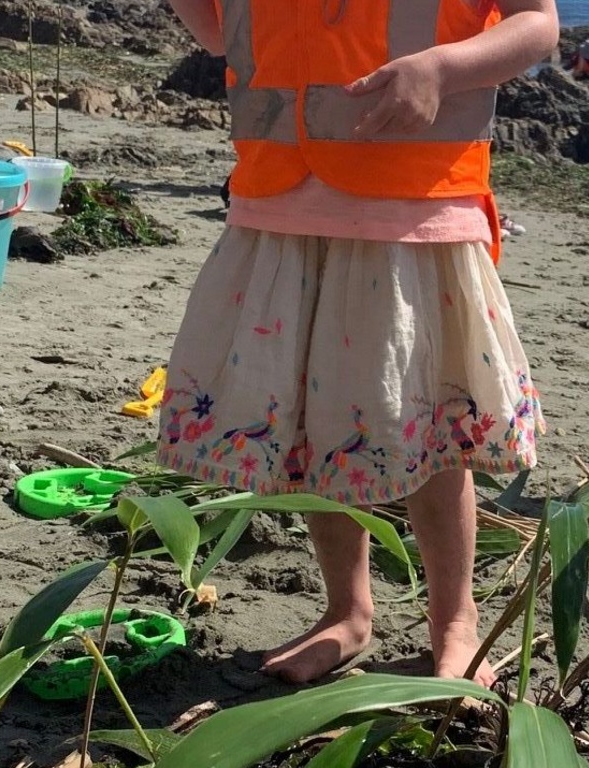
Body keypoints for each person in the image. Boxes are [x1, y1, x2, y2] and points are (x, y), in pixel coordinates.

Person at [160, 0, 555, 686]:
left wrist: (441, 67)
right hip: (281, 198)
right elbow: (224, 30)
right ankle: (346, 612)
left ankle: (454, 621)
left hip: (413, 197)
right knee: (322, 424)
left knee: (430, 427)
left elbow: (537, 24)